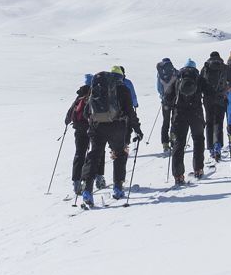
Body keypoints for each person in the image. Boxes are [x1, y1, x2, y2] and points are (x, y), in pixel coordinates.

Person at [81, 68, 142, 207]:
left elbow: (86, 113)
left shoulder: (97, 88)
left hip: (97, 127)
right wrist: (137, 129)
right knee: (120, 154)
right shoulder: (123, 89)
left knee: (94, 156)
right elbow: (130, 113)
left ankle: (87, 191)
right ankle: (118, 188)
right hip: (117, 127)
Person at [163, 58, 208, 184]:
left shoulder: (177, 79)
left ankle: (178, 175)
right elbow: (209, 92)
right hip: (196, 114)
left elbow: (168, 97)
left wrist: (169, 107)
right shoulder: (199, 79)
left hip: (179, 115)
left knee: (179, 143)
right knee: (198, 140)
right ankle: (198, 169)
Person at [63, 75, 94, 197]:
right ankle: (94, 178)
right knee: (94, 154)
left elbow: (70, 112)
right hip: (91, 128)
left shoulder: (79, 95)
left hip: (78, 129)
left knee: (79, 153)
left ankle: (76, 181)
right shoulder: (94, 93)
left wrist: (67, 122)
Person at [200, 50, 230, 161]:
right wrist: (226, 91)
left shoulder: (205, 67)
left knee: (209, 123)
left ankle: (211, 148)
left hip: (208, 99)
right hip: (220, 99)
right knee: (218, 122)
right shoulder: (224, 67)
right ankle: (218, 145)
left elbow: (200, 83)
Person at [155, 57, 177, 154]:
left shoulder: (160, 74)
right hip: (175, 100)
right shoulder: (175, 72)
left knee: (165, 122)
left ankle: (165, 144)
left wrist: (163, 96)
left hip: (165, 102)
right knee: (174, 120)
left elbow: (158, 88)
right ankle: (173, 140)